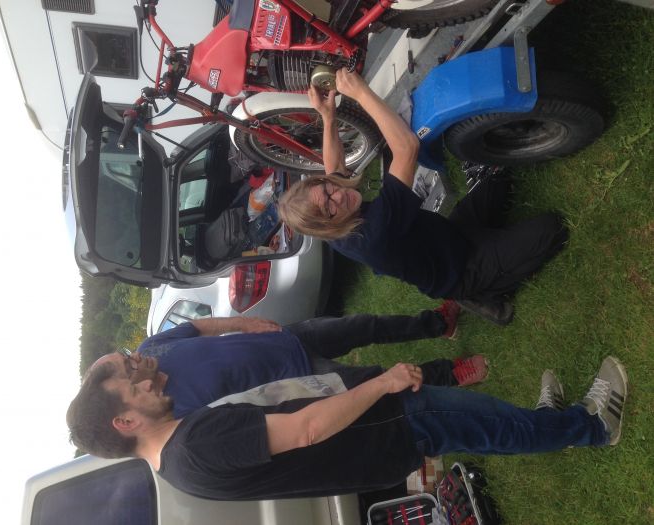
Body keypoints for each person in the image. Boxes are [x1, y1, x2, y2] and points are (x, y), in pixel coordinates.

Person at [66, 355, 627, 501]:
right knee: (487, 426)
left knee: (485, 423)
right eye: (135, 388)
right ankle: (593, 426)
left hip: (377, 442)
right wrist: (381, 385)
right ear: (126, 421)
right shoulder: (195, 446)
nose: (148, 382)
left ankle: (552, 420)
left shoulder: (176, 467)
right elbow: (306, 430)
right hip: (386, 427)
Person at [277, 70, 570, 325]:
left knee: (495, 173)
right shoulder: (374, 234)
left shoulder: (331, 217)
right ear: (326, 225)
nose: (339, 196)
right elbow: (407, 147)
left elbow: (333, 168)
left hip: (452, 235)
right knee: (552, 228)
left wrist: (328, 117)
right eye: (329, 207)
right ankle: (480, 294)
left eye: (328, 190)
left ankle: (488, 253)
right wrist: (361, 93)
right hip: (463, 271)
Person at [92, 305, 488, 419]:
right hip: (301, 381)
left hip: (287, 339)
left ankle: (438, 323)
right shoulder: (171, 411)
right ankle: (451, 374)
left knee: (364, 325)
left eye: (127, 355)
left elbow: (196, 326)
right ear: (130, 389)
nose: (136, 357)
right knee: (378, 382)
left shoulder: (154, 345)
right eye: (129, 365)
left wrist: (244, 323)